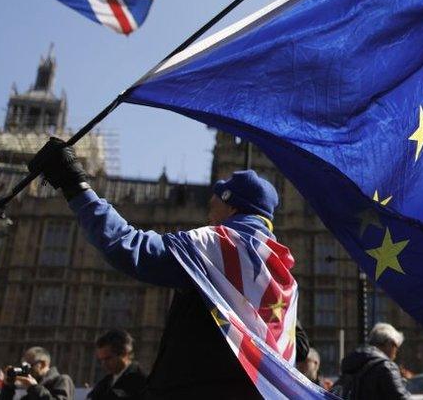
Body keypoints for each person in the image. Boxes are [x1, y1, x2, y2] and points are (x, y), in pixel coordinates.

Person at [28, 139, 310, 399]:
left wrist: (74, 184)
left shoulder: (219, 245)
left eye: (213, 208)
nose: (208, 217)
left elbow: (129, 246)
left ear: (232, 207)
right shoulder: (283, 275)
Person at [334, 323, 409, 399]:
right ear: (389, 343)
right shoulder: (386, 366)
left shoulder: (354, 363)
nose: (396, 352)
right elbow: (401, 397)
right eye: (396, 346)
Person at [88, 329, 147, 400]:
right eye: (101, 360)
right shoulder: (104, 384)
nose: (103, 364)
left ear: (124, 353)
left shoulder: (141, 381)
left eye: (108, 358)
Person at [0, 346, 74, 400]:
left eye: (28, 366)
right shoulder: (30, 393)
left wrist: (34, 388)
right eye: (23, 367)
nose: (25, 370)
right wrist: (8, 388)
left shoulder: (62, 380)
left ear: (43, 364)